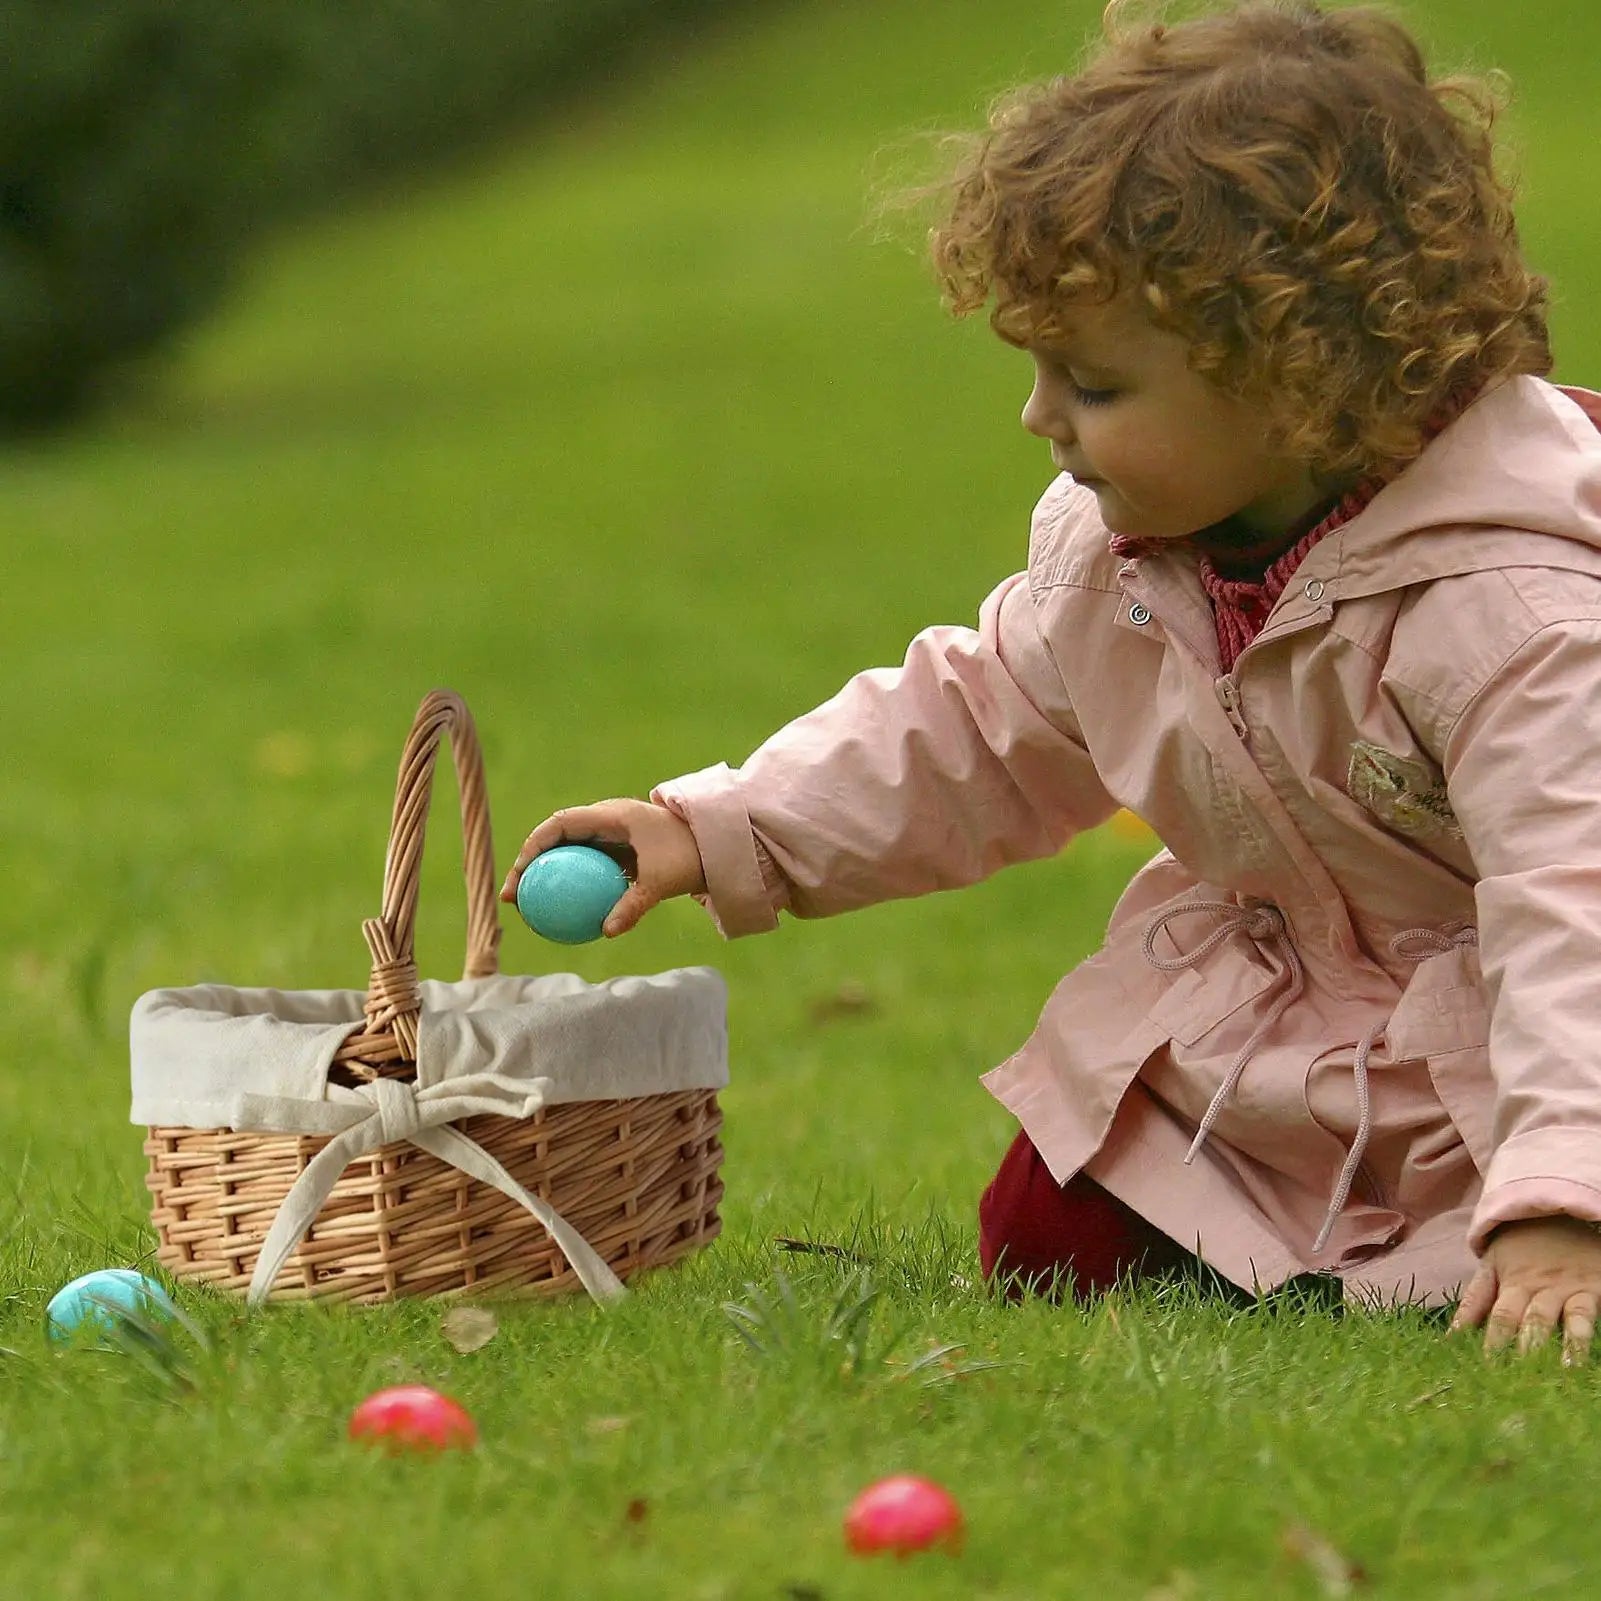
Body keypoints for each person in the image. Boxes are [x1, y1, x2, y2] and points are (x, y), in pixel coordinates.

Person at [502, 1, 1601, 1361]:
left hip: (1531, 1045)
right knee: (1044, 1237)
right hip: (1295, 1040)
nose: (1038, 418)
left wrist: (1564, 1193)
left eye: (1087, 383)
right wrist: (718, 827)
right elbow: (971, 721)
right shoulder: (1120, 562)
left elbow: (1574, 898)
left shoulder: (1512, 615)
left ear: (1299, 380)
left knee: (1510, 1270)